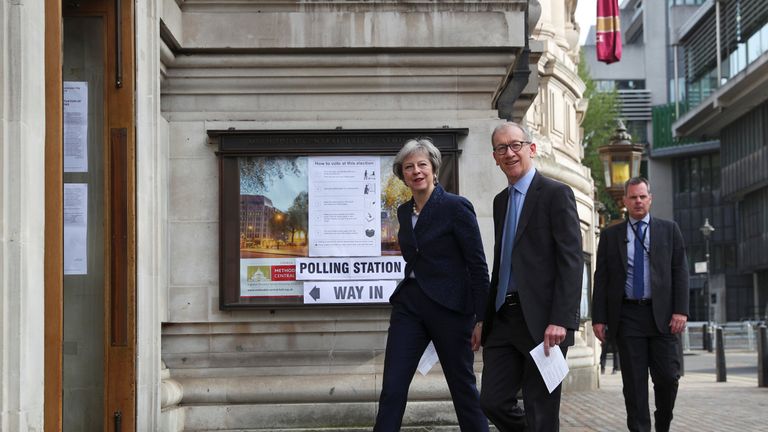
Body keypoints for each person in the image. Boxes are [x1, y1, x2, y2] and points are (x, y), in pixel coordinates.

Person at [374, 137, 490, 432]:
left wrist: (482, 318)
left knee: (462, 389)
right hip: (410, 306)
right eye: (409, 167)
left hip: (451, 308)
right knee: (392, 388)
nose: (416, 171)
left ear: (434, 169)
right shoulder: (403, 212)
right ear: (403, 175)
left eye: (422, 164)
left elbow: (477, 266)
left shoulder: (456, 207)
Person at [480, 122, 583, 432]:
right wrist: (484, 317)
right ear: (495, 157)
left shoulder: (556, 194)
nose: (509, 153)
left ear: (531, 149)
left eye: (515, 145)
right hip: (504, 319)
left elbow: (571, 260)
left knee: (541, 410)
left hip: (543, 323)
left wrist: (561, 319)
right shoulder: (500, 202)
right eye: (501, 148)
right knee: (491, 401)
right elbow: (502, 264)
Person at [592, 177, 689, 432]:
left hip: (663, 318)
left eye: (642, 196)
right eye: (633, 197)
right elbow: (601, 278)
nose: (638, 201)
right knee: (634, 386)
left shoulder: (669, 230)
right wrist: (598, 317)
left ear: (650, 198)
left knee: (668, 379)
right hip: (628, 317)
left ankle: (662, 424)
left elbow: (680, 272)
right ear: (624, 201)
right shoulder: (611, 235)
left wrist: (681, 310)